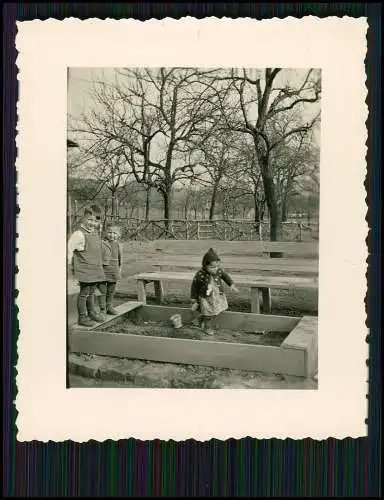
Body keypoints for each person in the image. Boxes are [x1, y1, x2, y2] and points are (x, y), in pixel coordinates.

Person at [67, 205, 105, 326]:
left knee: (92, 292)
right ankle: (82, 317)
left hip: (94, 270)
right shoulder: (79, 234)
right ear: (83, 217)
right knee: (84, 294)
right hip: (84, 270)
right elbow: (68, 250)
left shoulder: (95, 233)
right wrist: (69, 269)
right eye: (90, 219)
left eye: (96, 221)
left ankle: (91, 312)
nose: (93, 223)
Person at [190, 248, 239, 335]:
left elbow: (225, 276)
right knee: (209, 312)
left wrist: (231, 285)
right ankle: (207, 327)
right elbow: (194, 285)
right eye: (212, 267)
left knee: (217, 310)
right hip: (206, 297)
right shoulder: (200, 274)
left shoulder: (218, 270)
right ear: (205, 265)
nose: (215, 269)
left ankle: (200, 318)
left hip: (217, 296)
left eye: (216, 266)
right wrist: (193, 297)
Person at [97, 223, 123, 315]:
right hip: (104, 270)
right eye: (110, 232)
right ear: (105, 233)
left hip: (114, 270)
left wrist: (119, 269)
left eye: (115, 233)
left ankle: (109, 306)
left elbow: (120, 259)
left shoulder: (118, 245)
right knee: (102, 290)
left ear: (119, 235)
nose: (112, 235)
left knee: (111, 290)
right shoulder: (102, 243)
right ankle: (102, 308)